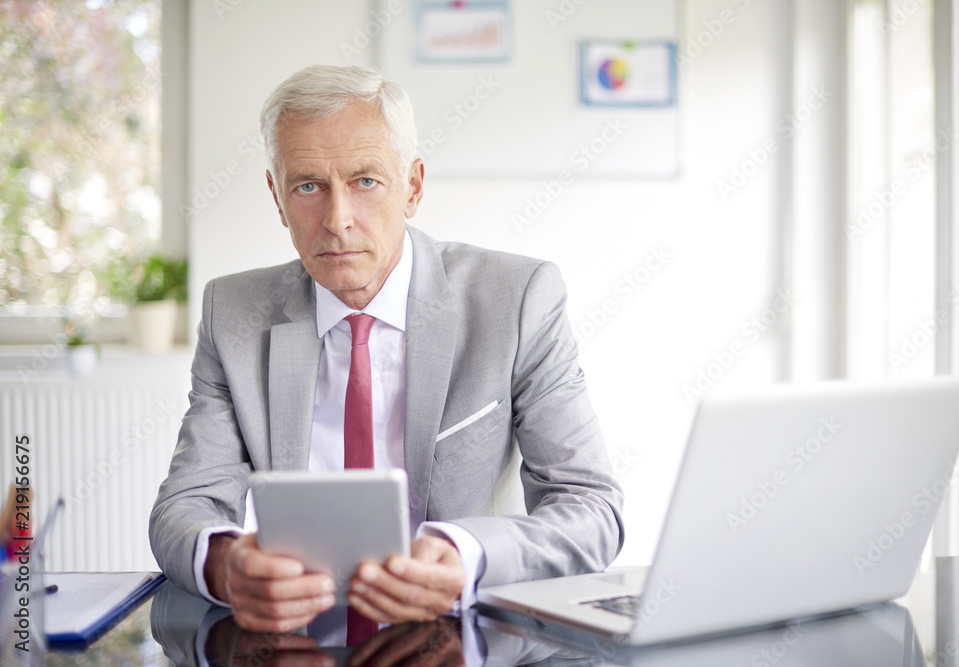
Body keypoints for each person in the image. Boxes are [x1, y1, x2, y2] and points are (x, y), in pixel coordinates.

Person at [148, 64, 624, 636]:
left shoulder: (517, 300)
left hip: (463, 636)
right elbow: (185, 506)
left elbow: (591, 509)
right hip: (299, 640)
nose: (337, 221)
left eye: (366, 181)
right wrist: (225, 564)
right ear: (277, 197)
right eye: (308, 186)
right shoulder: (234, 315)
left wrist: (468, 555)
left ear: (413, 187)